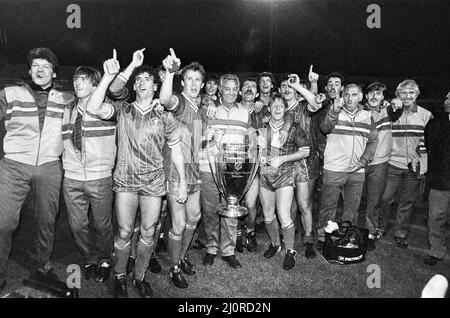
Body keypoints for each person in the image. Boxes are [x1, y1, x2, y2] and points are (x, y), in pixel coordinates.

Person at [89, 49, 187, 298]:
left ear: (156, 85)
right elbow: (93, 107)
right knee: (123, 232)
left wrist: (183, 182)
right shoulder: (123, 109)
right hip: (125, 182)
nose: (142, 83)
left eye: (148, 80)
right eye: (139, 80)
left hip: (154, 182)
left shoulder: (164, 116)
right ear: (134, 85)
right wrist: (108, 76)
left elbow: (176, 153)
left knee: (149, 231)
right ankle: (120, 276)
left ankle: (140, 276)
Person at [0, 47, 73, 291]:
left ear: (54, 74)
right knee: (4, 222)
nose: (40, 70)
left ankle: (43, 264)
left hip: (49, 165)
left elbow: (106, 97)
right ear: (29, 71)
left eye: (46, 67)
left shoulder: (66, 97)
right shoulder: (10, 93)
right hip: (14, 165)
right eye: (36, 66)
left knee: (46, 220)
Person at [61, 66, 115, 282]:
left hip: (99, 177)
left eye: (84, 79)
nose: (77, 83)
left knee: (102, 224)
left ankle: (104, 259)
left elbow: (101, 109)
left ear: (95, 85)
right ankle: (90, 257)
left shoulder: (106, 108)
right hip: (72, 177)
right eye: (75, 79)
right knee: (77, 225)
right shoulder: (67, 109)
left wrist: (109, 76)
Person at [159, 49, 206, 288]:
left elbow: (197, 142)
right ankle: (174, 267)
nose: (194, 83)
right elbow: (165, 99)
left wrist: (210, 140)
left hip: (194, 172)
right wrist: (169, 72)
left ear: (203, 83)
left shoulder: (200, 110)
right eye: (189, 79)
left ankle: (182, 255)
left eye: (198, 80)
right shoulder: (179, 102)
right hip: (177, 173)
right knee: (178, 224)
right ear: (183, 81)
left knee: (194, 217)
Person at [200, 73, 254, 269]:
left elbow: (248, 138)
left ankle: (229, 250)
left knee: (231, 209)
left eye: (234, 89)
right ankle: (211, 247)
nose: (230, 93)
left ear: (238, 91)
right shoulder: (209, 109)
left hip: (234, 169)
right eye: (226, 88)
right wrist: (209, 102)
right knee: (210, 209)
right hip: (210, 166)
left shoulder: (244, 111)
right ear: (220, 90)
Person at [317, 84, 378, 251]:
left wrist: (363, 160)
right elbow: (324, 128)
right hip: (334, 169)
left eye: (354, 94)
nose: (350, 98)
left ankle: (345, 237)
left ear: (360, 97)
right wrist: (334, 111)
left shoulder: (367, 115)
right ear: (342, 96)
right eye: (347, 95)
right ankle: (323, 237)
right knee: (328, 207)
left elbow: (373, 141)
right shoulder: (334, 110)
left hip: (357, 171)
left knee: (352, 209)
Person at [259, 93, 310, 270]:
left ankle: (290, 251)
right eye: (274, 105)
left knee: (283, 214)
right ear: (269, 108)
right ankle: (275, 244)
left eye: (281, 105)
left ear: (285, 108)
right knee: (267, 215)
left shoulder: (294, 128)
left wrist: (283, 159)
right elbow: (254, 151)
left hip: (285, 175)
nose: (278, 108)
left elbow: (305, 151)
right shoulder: (263, 126)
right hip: (265, 175)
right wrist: (258, 152)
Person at [381, 79, 432, 249]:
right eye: (404, 93)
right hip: (392, 163)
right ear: (398, 95)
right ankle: (381, 226)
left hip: (414, 167)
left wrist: (423, 162)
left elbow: (430, 142)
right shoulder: (392, 111)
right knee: (386, 198)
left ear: (416, 94)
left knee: (407, 202)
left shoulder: (426, 115)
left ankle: (400, 232)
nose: (408, 96)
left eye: (411, 92)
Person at [279, 73, 324, 259]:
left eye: (290, 87)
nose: (287, 89)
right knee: (287, 205)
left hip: (305, 162)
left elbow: (316, 103)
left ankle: (308, 239)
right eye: (284, 87)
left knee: (304, 204)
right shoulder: (276, 109)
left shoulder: (304, 107)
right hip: (284, 162)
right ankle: (287, 238)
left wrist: (298, 86)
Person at [362, 82, 403, 251]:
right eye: (371, 93)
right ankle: (348, 229)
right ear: (365, 96)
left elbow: (397, 111)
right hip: (358, 162)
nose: (374, 96)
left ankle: (370, 233)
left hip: (379, 163)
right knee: (352, 199)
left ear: (383, 97)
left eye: (378, 93)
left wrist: (397, 104)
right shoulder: (359, 110)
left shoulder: (388, 110)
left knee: (374, 201)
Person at [423, 91, 450, 265]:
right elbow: (428, 145)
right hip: (441, 178)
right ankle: (436, 250)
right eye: (446, 97)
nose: (446, 101)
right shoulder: (435, 124)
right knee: (436, 216)